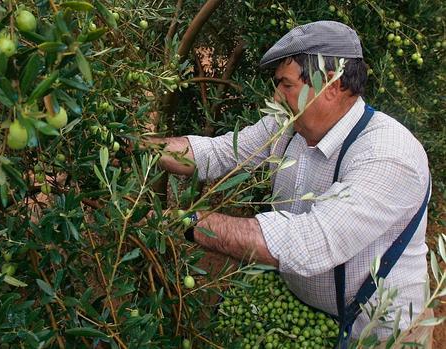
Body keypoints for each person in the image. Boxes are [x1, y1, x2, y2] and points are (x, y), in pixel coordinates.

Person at [147, 21, 433, 346]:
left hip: (383, 334)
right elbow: (215, 153)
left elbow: (311, 242)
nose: (276, 96)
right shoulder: (286, 129)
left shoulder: (388, 154)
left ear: (331, 84)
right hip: (314, 318)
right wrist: (140, 146)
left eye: (286, 84)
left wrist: (190, 223)